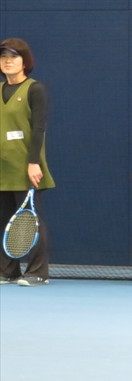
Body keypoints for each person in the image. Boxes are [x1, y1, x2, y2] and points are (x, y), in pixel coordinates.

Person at [0, 38, 55, 287]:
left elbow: (38, 128)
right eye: (3, 57)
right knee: (4, 220)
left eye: (14, 56)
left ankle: (38, 272)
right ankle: (8, 271)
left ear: (25, 62)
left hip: (25, 167)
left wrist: (34, 162)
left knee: (30, 219)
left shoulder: (35, 89)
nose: (7, 61)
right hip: (2, 167)